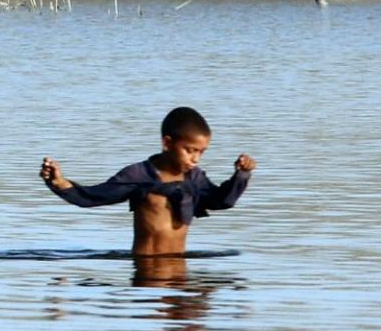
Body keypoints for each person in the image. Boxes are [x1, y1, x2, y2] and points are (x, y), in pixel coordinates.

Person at [40, 107, 256, 256]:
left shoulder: (195, 179)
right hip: (147, 275)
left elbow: (222, 201)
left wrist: (241, 176)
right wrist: (58, 182)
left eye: (201, 152)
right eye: (189, 151)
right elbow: (92, 197)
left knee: (194, 320)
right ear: (167, 143)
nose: (195, 159)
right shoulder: (139, 175)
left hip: (180, 273)